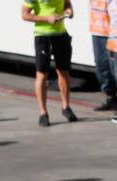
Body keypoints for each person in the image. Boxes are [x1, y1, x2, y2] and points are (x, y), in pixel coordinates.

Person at [21, 0, 78, 128]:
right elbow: (25, 15)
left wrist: (69, 10)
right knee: (42, 74)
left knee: (63, 72)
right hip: (43, 37)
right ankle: (43, 113)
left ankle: (66, 107)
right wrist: (47, 18)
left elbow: (67, 3)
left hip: (61, 35)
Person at [88, 0, 117, 112]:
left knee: (116, 68)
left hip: (112, 33)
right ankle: (111, 99)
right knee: (101, 67)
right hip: (97, 32)